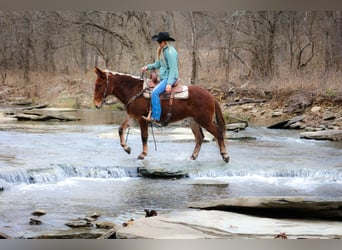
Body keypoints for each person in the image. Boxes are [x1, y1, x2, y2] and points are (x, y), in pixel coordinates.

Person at [141, 32, 178, 125]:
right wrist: (147, 67)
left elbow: (173, 68)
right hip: (164, 77)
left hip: (170, 77)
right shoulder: (162, 51)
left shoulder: (170, 52)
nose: (158, 44)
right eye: (158, 42)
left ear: (164, 42)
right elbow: (158, 64)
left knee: (155, 93)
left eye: (159, 42)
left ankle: (156, 117)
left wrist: (169, 83)